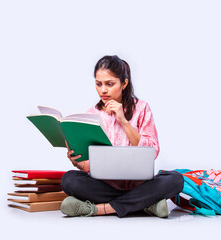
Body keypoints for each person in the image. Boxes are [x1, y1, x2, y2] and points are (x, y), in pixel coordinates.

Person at [60, 55, 184, 218]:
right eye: (98, 84)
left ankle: (99, 209)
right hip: (104, 186)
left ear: (124, 83)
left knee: (176, 179)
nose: (103, 90)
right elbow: (91, 164)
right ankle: (145, 204)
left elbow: (152, 152)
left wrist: (123, 121)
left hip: (139, 184)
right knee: (69, 180)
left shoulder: (142, 108)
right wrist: (79, 163)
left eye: (109, 84)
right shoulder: (91, 114)